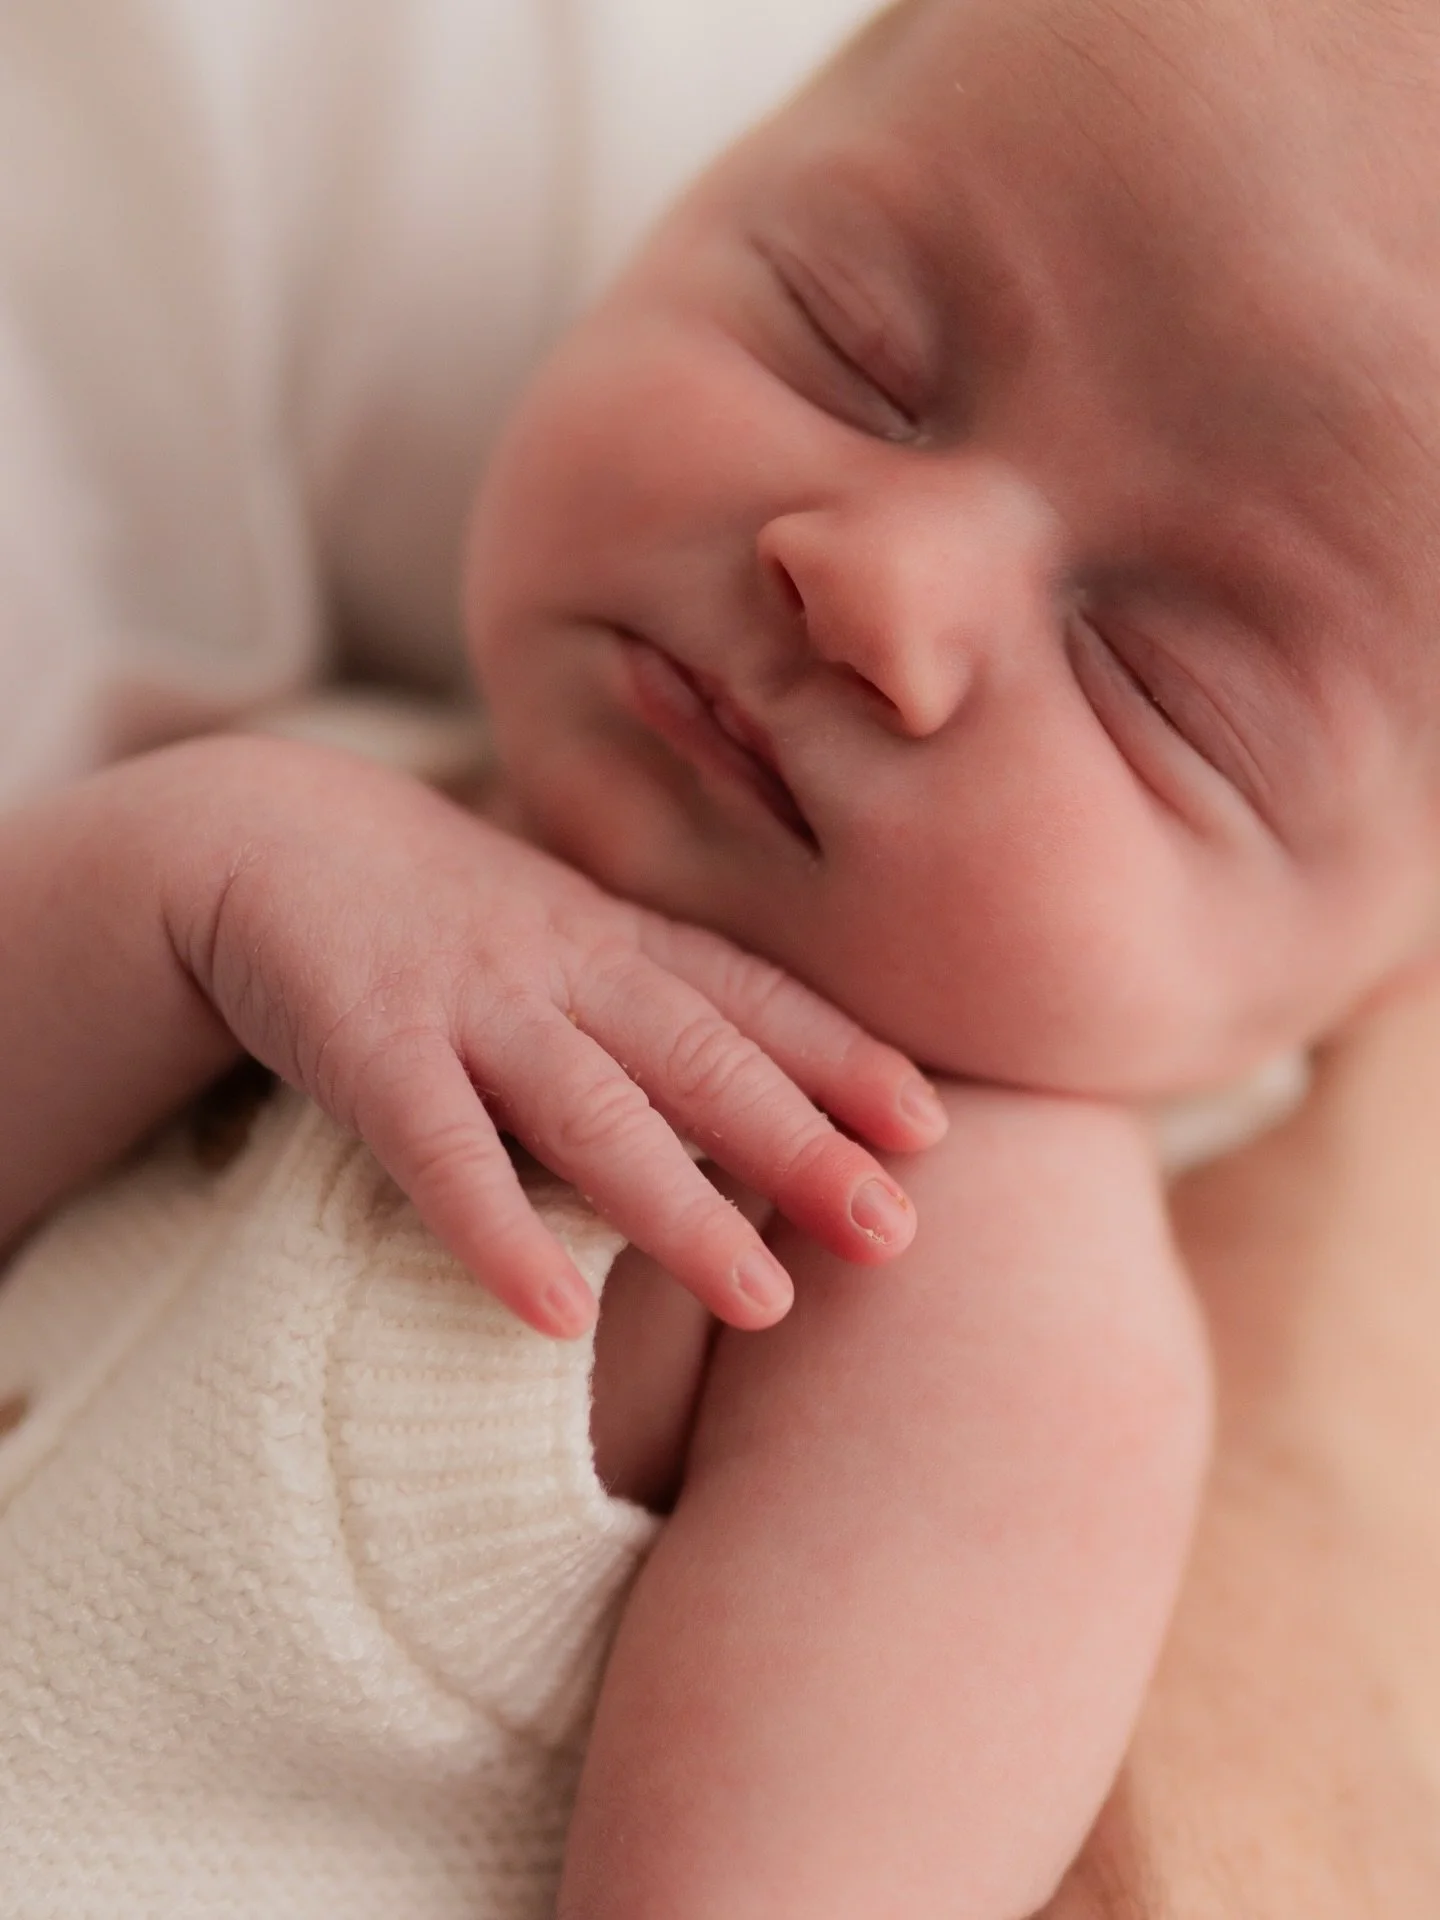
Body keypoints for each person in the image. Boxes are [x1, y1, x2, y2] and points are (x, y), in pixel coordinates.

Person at [1, 0, 1438, 1914]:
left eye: (1168, 690)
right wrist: (202, 878)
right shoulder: (336, 774)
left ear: (1364, 986)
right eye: (851, 342)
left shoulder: (966, 1290)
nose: (872, 583)